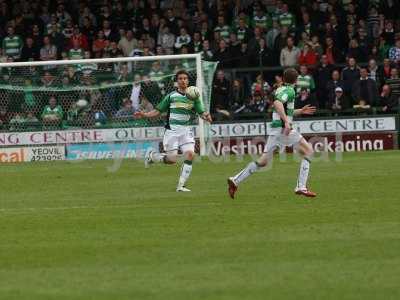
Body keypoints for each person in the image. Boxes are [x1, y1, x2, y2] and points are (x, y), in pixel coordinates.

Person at [227, 68, 317, 199]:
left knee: (263, 162)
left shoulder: (280, 89)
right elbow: (277, 103)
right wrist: (286, 122)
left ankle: (235, 180)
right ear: (296, 80)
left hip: (276, 130)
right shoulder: (290, 90)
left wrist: (299, 111)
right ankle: (301, 186)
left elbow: (282, 108)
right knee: (309, 151)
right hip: (283, 129)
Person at [134, 70, 212, 192]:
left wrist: (206, 115)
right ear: (177, 81)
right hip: (172, 132)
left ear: (188, 81)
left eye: (185, 78)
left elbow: (201, 112)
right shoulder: (171, 96)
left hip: (186, 131)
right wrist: (144, 115)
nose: (183, 80)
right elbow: (157, 111)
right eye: (180, 78)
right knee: (172, 160)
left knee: (190, 154)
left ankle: (181, 186)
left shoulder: (194, 95)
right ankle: (152, 156)